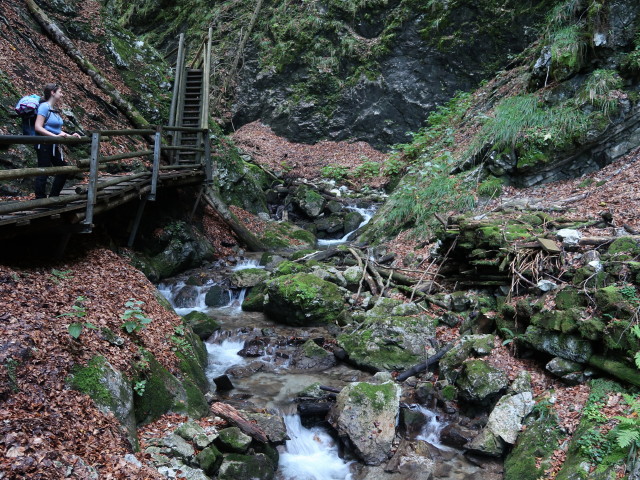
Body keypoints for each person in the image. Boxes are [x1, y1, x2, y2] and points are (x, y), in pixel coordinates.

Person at [34, 83, 80, 199]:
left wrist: (70, 135)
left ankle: (54, 197)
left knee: (63, 170)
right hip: (44, 143)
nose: (62, 94)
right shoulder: (44, 107)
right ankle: (40, 200)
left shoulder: (53, 109)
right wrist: (53, 137)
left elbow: (56, 130)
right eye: (60, 92)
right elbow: (38, 127)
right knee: (43, 170)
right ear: (53, 93)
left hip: (53, 145)